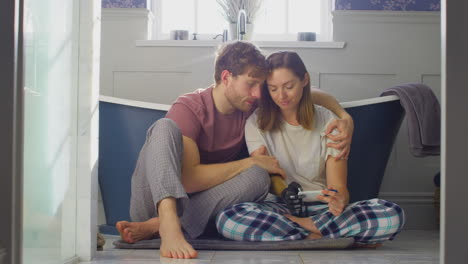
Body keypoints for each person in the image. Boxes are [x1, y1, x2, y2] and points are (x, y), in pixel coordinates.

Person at [115, 42, 354, 259]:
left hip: (200, 210)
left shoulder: (249, 106)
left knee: (259, 177)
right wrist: (248, 163)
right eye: (251, 83)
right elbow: (187, 181)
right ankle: (165, 223)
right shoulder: (190, 106)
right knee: (165, 126)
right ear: (227, 77)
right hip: (156, 202)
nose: (257, 93)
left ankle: (160, 226)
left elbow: (304, 94)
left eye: (261, 86)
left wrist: (345, 117)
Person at [215, 51, 405, 246]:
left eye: (289, 86)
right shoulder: (256, 122)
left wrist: (338, 200)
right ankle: (325, 235)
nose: (282, 96)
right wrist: (286, 195)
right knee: (228, 219)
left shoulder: (330, 121)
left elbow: (339, 188)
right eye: (273, 89)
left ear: (304, 80)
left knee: (392, 214)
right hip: (279, 208)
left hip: (322, 209)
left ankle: (302, 231)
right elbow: (268, 176)